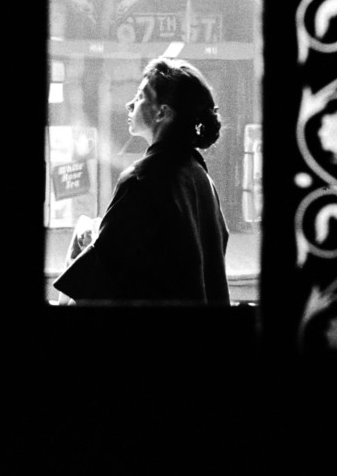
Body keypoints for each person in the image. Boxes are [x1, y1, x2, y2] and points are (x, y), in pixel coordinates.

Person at [53, 58, 230, 304]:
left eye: (139, 97)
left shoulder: (140, 179)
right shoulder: (202, 177)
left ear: (162, 113)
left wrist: (87, 247)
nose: (130, 104)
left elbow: (100, 277)